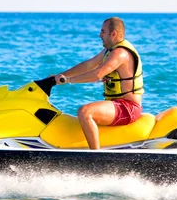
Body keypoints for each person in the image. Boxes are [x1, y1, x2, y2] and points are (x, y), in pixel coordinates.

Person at [54, 17, 144, 150]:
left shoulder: (120, 53)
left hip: (128, 108)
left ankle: (96, 157)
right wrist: (62, 75)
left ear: (113, 34)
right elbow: (88, 65)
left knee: (85, 112)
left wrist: (68, 80)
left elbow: (97, 74)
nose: (99, 35)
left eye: (103, 32)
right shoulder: (109, 51)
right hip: (118, 105)